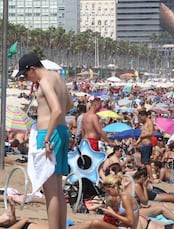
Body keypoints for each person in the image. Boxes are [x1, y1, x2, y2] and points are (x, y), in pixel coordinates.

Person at [17, 53, 72, 229]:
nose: (26, 80)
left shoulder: (46, 81)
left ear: (32, 69)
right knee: (57, 188)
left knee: (50, 191)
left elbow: (56, 110)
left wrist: (47, 137)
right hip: (62, 130)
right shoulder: (58, 78)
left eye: (25, 75)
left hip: (50, 134)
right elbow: (68, 105)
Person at [70, 174, 139, 229]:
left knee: (95, 223)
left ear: (115, 187)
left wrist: (113, 214)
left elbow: (131, 222)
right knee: (91, 224)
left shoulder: (125, 197)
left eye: (108, 191)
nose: (108, 193)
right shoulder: (120, 197)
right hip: (120, 226)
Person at [134, 110, 154, 180]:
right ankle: (147, 176)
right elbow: (141, 135)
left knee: (146, 162)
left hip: (147, 144)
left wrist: (143, 136)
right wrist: (136, 143)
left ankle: (151, 177)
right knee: (144, 162)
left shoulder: (149, 122)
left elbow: (151, 133)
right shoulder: (145, 123)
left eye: (140, 117)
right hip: (144, 144)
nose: (140, 119)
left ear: (144, 116)